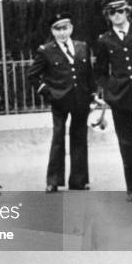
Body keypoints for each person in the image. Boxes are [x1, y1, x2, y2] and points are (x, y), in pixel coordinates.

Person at [29, 12, 95, 192]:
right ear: (52, 31)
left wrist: (93, 94)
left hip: (81, 98)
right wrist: (48, 93)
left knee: (79, 138)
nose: (62, 33)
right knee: (58, 138)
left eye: (65, 28)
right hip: (59, 101)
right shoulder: (46, 50)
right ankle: (53, 180)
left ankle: (79, 180)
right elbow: (33, 76)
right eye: (57, 29)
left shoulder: (82, 47)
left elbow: (88, 73)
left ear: (71, 28)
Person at [95, 0, 132, 201]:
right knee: (126, 145)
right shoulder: (104, 40)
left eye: (120, 11)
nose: (117, 16)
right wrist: (109, 92)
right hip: (120, 99)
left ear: (128, 11)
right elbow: (100, 72)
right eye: (111, 12)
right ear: (107, 16)